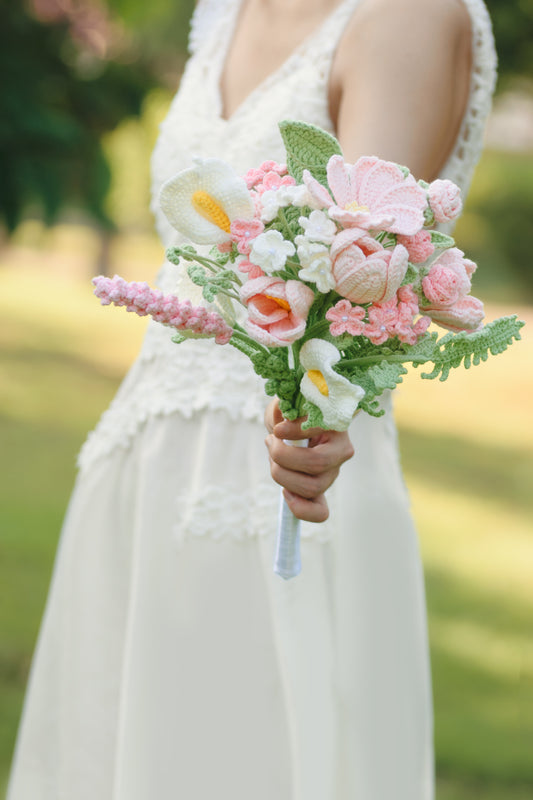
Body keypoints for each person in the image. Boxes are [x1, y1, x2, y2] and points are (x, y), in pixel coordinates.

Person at [7, 0, 496, 798]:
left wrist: (319, 432)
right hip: (143, 455)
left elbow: (363, 279)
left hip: (281, 471)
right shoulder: (224, 11)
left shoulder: (406, 14)